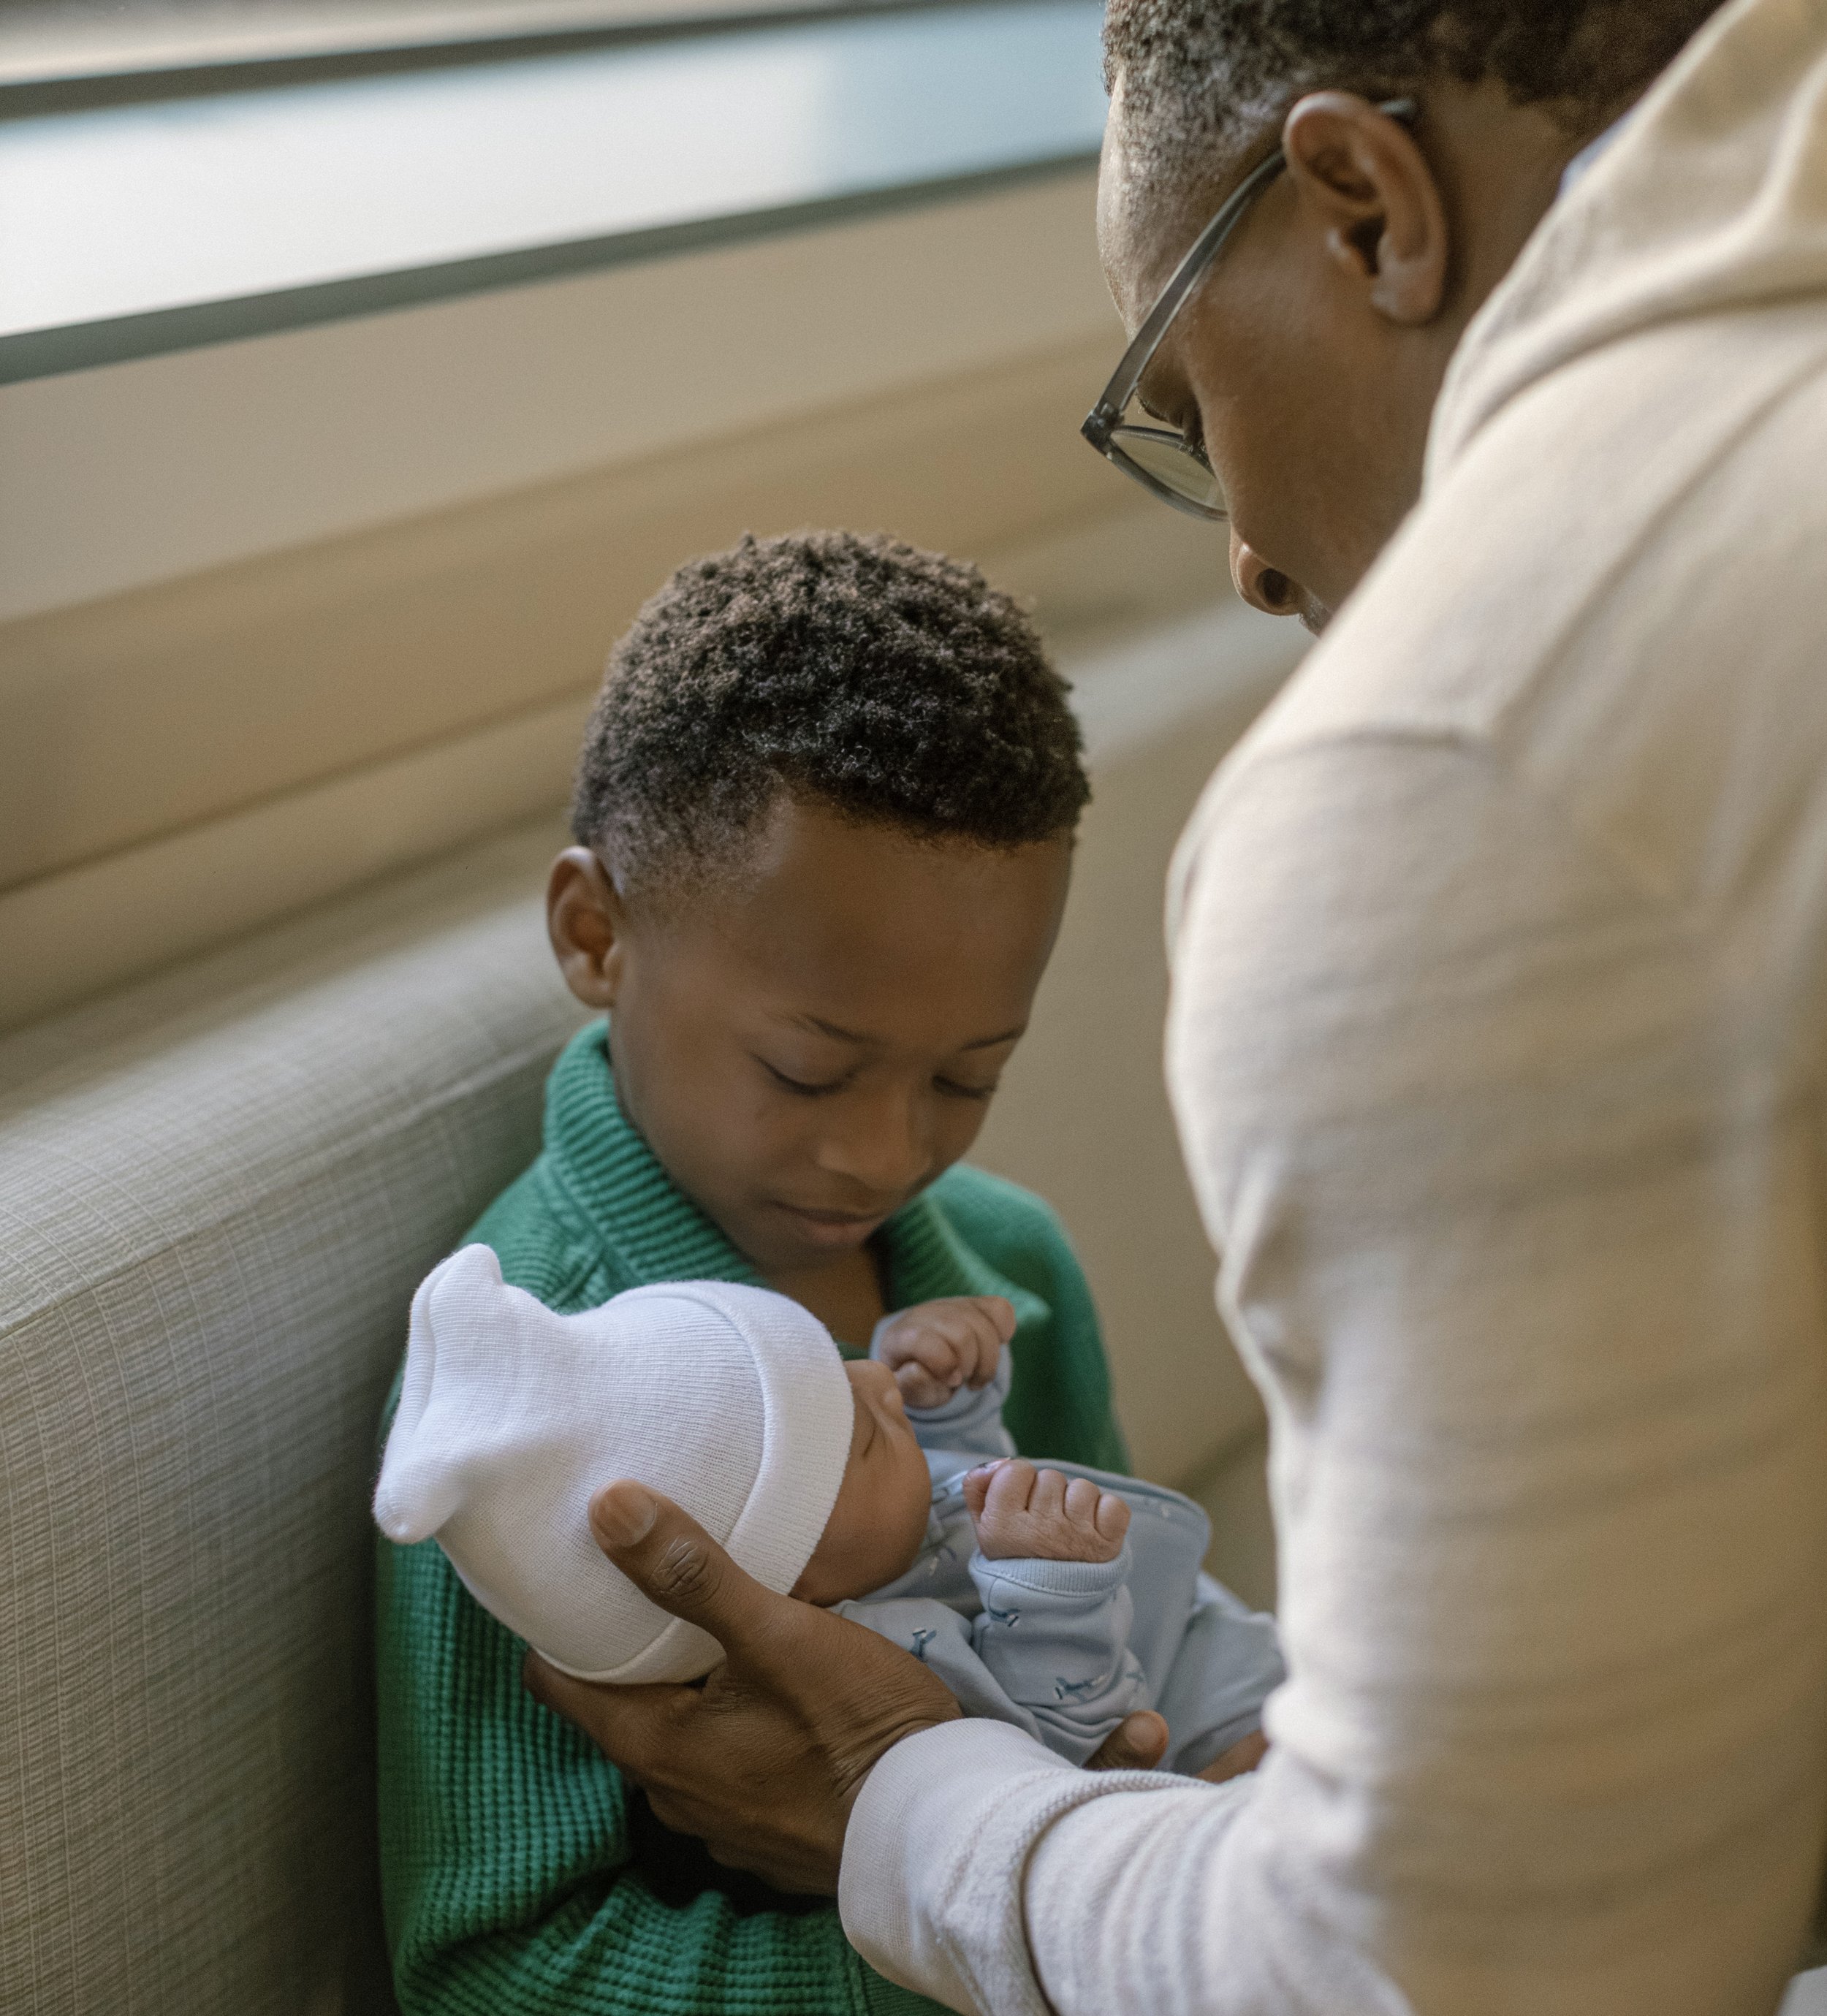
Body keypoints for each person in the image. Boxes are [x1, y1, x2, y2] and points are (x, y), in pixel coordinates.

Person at [523, 1, 1827, 2010]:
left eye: (1187, 395)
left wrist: (909, 1794)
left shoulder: (1461, 763)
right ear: (596, 937)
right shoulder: (548, 1350)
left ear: (1361, 204)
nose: (1233, 552)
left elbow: (1438, 1973)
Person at [376, 528, 1183, 2016]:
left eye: (966, 1075)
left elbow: (1153, 1658)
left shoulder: (1012, 1269)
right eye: (806, 1069)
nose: (881, 1153)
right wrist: (984, 1956)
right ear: (595, 933)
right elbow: (494, 1970)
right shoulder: (524, 1403)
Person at [376, 1252, 1283, 1770]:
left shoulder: (869, 1534)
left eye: (844, 1365)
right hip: (1213, 1741)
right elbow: (1053, 1745)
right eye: (860, 1434)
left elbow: (951, 1499)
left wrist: (948, 1405)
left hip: (1246, 1647)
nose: (875, 1374)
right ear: (800, 1593)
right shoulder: (895, 1650)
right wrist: (1052, 1591)